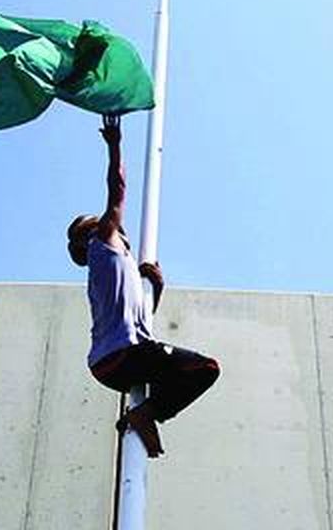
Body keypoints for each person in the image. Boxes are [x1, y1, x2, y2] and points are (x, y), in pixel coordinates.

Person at [68, 114, 219, 457]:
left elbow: (140, 320)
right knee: (204, 368)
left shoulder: (116, 271)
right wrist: (115, 145)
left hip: (113, 363)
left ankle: (138, 417)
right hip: (123, 356)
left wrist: (157, 286)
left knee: (173, 373)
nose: (113, 224)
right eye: (100, 222)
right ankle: (144, 414)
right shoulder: (102, 244)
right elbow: (117, 191)